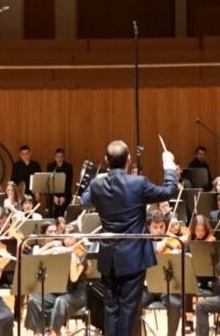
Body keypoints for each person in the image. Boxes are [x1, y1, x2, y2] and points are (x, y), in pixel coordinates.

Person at [79, 139, 178, 336]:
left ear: (106, 160)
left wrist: (92, 180)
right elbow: (170, 190)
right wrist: (168, 165)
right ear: (129, 159)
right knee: (128, 310)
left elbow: (84, 202)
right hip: (133, 257)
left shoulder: (97, 184)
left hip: (109, 257)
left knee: (111, 307)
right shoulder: (138, 183)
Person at [25, 224, 89, 336]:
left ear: (77, 238)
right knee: (34, 300)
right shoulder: (61, 248)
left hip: (76, 293)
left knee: (61, 302)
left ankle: (54, 332)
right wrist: (52, 248)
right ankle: (39, 333)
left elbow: (74, 278)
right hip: (58, 291)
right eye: (65, 237)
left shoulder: (81, 253)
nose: (67, 240)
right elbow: (37, 256)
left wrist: (72, 260)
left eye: (70, 238)